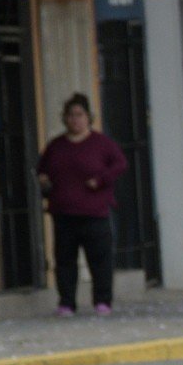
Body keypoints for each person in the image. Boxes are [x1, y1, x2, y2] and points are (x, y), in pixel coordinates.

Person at [37, 93, 126, 317]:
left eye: (79, 115)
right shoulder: (56, 146)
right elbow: (42, 170)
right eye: (70, 116)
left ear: (88, 117)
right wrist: (44, 181)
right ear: (64, 119)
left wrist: (101, 179)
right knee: (65, 261)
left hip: (94, 212)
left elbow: (120, 164)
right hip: (64, 213)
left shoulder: (101, 143)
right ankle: (66, 302)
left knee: (100, 260)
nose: (75, 120)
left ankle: (102, 301)